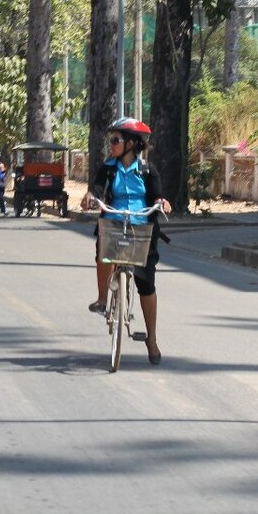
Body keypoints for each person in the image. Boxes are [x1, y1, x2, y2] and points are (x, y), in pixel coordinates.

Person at [82, 117, 173, 365]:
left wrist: (162, 202)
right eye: (111, 140)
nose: (111, 144)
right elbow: (98, 188)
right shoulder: (108, 167)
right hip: (114, 221)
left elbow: (157, 195)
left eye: (116, 140)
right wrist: (91, 196)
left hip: (142, 227)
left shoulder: (147, 170)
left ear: (131, 143)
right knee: (103, 248)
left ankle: (151, 339)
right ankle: (103, 299)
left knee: (146, 284)